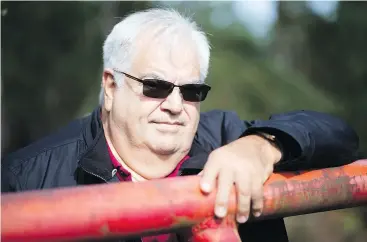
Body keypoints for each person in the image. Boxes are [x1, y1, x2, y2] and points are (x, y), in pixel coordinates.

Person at [1, 8, 359, 242]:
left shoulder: (228, 139)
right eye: (155, 87)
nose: (175, 105)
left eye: (191, 91)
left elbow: (340, 135)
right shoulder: (25, 181)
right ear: (111, 87)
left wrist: (262, 147)